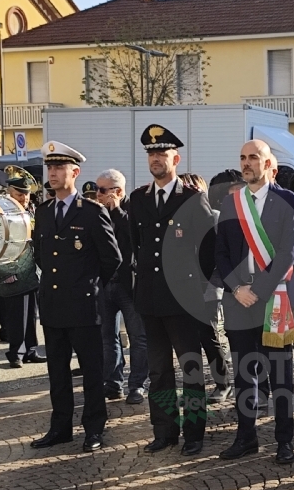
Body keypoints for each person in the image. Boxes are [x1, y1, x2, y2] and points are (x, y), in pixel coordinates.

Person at [129, 124, 217, 456]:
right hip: (150, 301)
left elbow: (209, 250)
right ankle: (164, 430)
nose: (155, 159)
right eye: (151, 154)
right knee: (159, 372)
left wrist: (201, 291)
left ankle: (195, 433)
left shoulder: (193, 199)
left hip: (184, 302)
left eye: (161, 154)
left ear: (175, 158)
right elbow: (134, 247)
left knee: (191, 370)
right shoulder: (138, 199)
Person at [215, 140, 294, 464]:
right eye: (243, 158)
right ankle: (246, 437)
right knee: (243, 373)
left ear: (269, 165)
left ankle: (284, 441)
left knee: (280, 374)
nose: (247, 163)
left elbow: (288, 253)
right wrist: (237, 288)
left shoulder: (289, 200)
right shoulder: (232, 203)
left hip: (275, 298)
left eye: (254, 157)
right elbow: (220, 252)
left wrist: (260, 290)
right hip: (238, 299)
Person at [31, 141, 122, 451]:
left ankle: (94, 428)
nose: (52, 173)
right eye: (50, 167)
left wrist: (90, 286)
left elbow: (112, 259)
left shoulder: (92, 211)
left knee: (92, 372)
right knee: (57, 372)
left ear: (75, 172)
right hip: (54, 305)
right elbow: (41, 255)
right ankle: (60, 428)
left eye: (59, 168)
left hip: (84, 305)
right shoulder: (43, 212)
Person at [93, 169, 147, 405]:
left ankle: (137, 385)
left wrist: (117, 212)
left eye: (102, 190)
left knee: (138, 337)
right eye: (97, 189)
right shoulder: (96, 212)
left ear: (117, 191)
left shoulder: (133, 209)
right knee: (107, 337)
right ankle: (113, 383)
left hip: (129, 284)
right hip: (104, 284)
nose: (97, 194)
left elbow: (135, 239)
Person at [183, 172, 232, 404]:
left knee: (208, 336)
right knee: (186, 341)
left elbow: (217, 254)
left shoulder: (214, 216)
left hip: (207, 286)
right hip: (182, 287)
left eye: (192, 186)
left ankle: (222, 383)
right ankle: (193, 388)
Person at [0, 174, 44, 367]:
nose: (23, 198)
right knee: (16, 314)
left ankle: (31, 349)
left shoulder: (30, 211)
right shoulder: (2, 214)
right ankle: (15, 351)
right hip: (10, 269)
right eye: (19, 194)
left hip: (30, 269)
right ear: (9, 193)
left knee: (31, 312)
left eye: (26, 194)